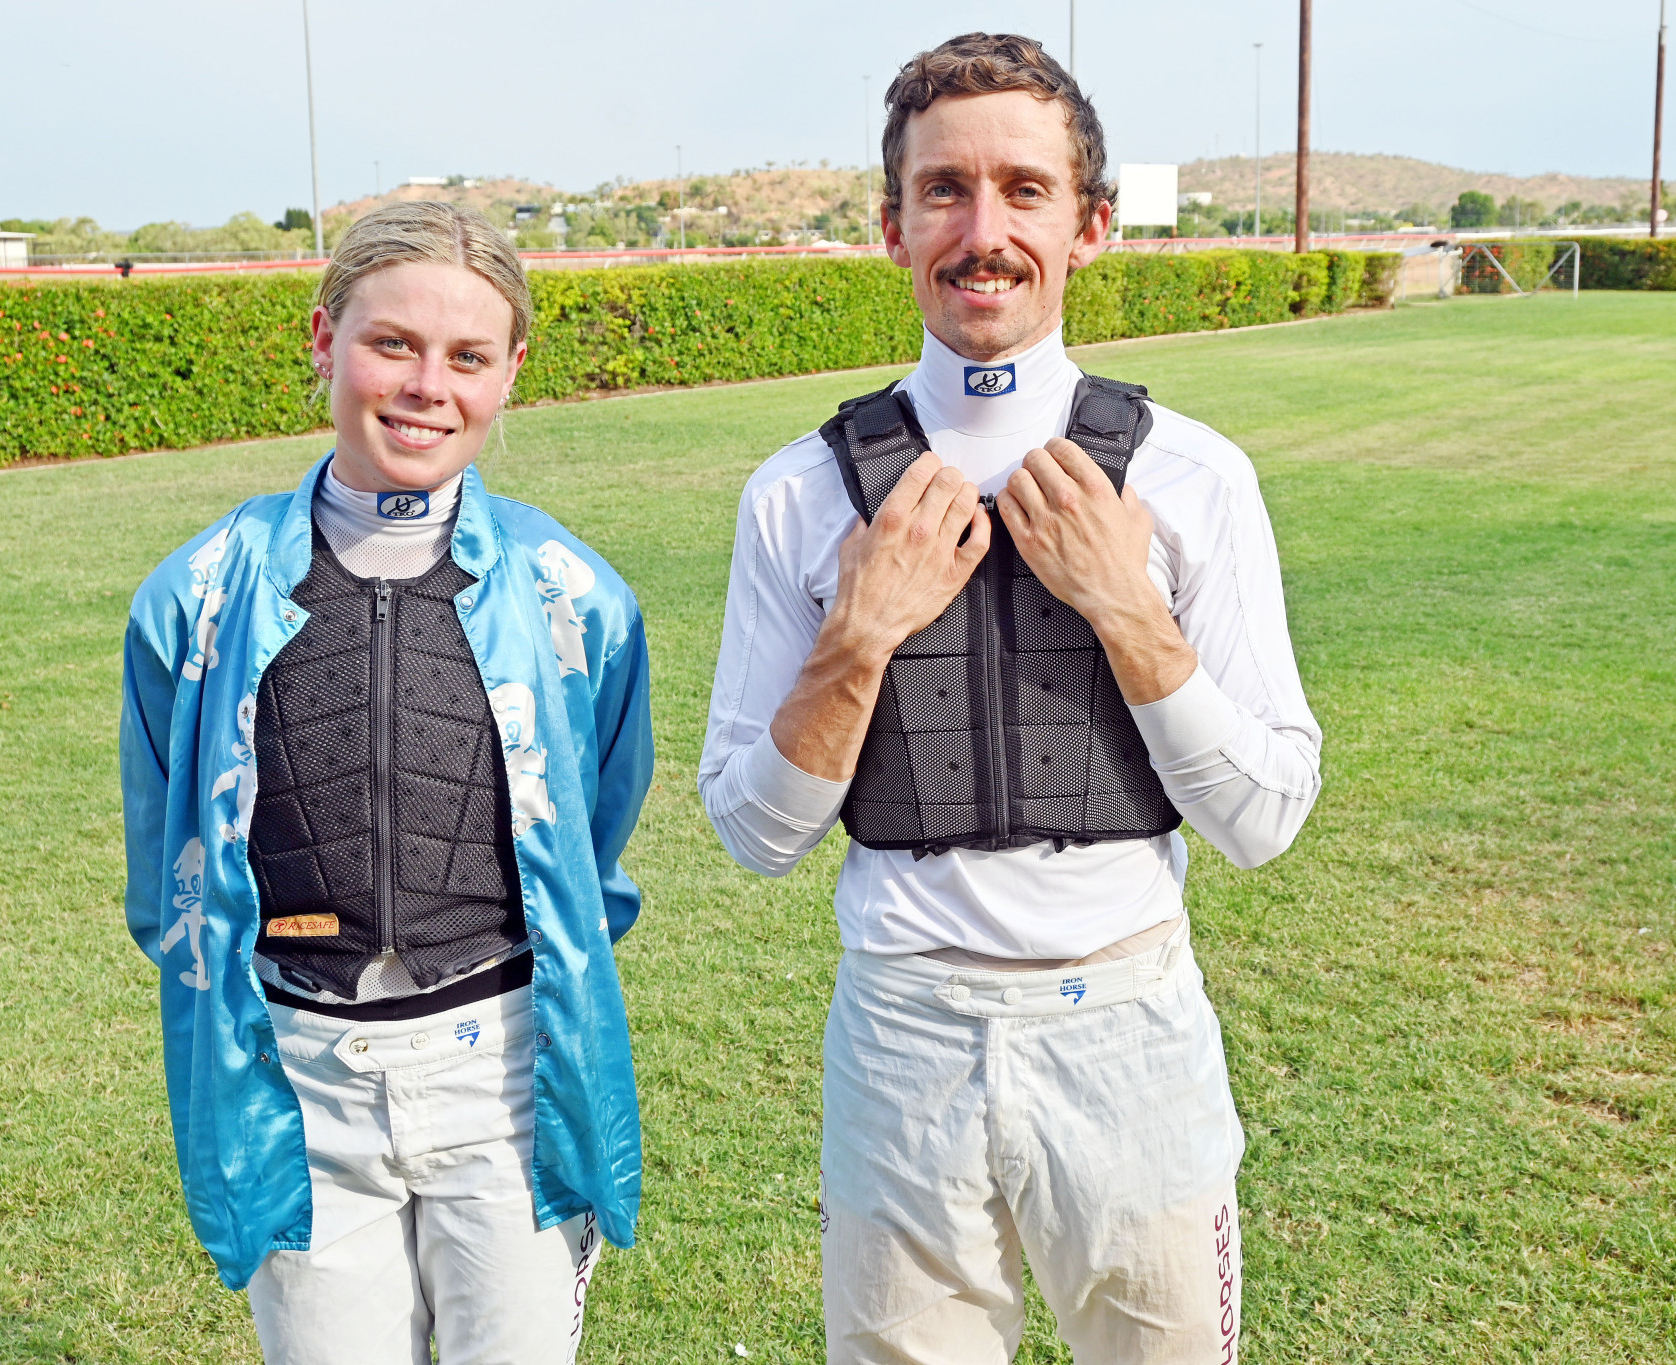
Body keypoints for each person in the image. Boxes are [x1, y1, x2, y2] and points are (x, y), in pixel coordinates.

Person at [699, 33, 1321, 1365]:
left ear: (1091, 225)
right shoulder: (800, 495)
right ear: (892, 225)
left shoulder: (1195, 480)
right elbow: (755, 834)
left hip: (1129, 1027)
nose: (983, 232)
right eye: (945, 191)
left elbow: (1265, 817)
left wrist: (1124, 605)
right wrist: (859, 635)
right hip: (902, 1029)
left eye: (1024, 191)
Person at [121, 202, 654, 1365]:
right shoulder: (197, 594)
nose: (426, 386)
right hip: (295, 1079)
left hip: (506, 1074)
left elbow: (596, 835)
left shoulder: (577, 597)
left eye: (467, 357)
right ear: (324, 340)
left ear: (511, 374)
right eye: (391, 344)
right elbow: (167, 870)